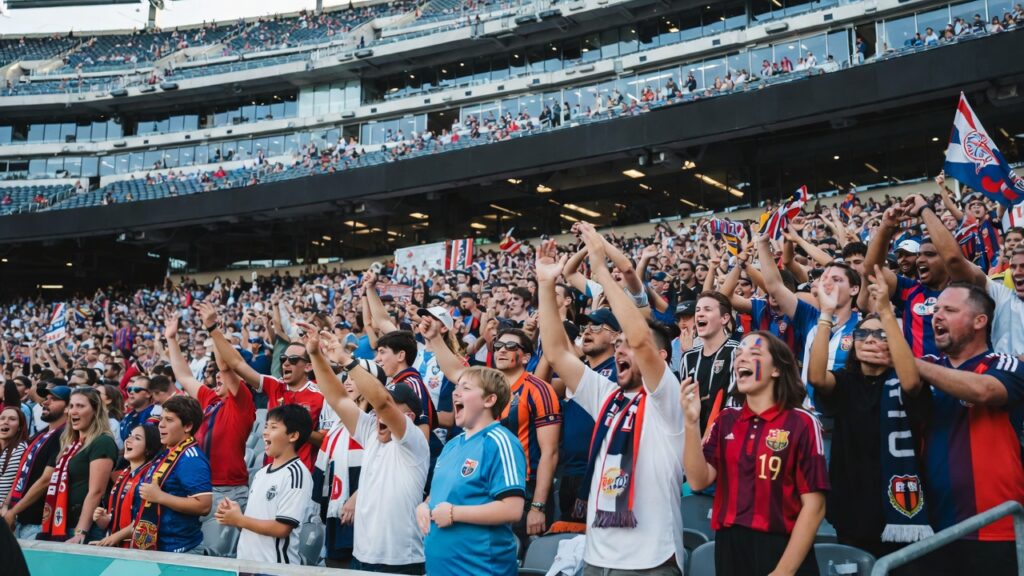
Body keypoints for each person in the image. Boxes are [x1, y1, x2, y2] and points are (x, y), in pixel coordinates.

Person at [536, 227, 686, 575]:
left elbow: (640, 338)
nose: (621, 348)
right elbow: (557, 352)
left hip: (651, 560)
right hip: (596, 557)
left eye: (627, 346)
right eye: (617, 345)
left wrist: (601, 270)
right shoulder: (608, 395)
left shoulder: (666, 396)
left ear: (660, 357)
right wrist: (545, 286)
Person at [808, 267, 932, 565]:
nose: (871, 339)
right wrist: (826, 315)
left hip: (896, 502)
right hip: (852, 503)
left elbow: (912, 382)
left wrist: (887, 315)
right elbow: (815, 377)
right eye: (863, 333)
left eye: (881, 335)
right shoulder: (845, 380)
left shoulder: (904, 382)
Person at [684, 331, 828, 576]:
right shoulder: (726, 419)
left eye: (754, 354)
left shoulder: (802, 422)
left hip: (781, 545)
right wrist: (690, 423)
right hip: (729, 545)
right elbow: (698, 480)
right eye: (738, 354)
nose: (741, 359)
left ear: (777, 369)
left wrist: (783, 571)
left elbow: (814, 507)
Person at [911, 283, 1024, 575]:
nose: (937, 316)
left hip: (994, 527)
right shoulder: (927, 365)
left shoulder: (1004, 363)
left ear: (979, 321)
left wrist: (909, 363)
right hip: (932, 526)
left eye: (949, 310)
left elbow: (986, 391)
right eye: (935, 310)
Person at [303, 322, 430, 574]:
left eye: (394, 409)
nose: (381, 416)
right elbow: (338, 398)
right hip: (361, 556)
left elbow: (382, 404)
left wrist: (345, 359)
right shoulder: (371, 432)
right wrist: (316, 354)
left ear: (410, 418)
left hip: (400, 561)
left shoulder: (412, 441)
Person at [427, 321, 560, 544]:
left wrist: (538, 505)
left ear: (526, 357)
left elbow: (550, 452)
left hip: (523, 488)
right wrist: (435, 337)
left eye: (510, 346)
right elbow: (455, 372)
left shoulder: (539, 389)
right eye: (498, 345)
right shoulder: (485, 386)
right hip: (480, 482)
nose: (502, 350)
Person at [417, 366, 526, 576]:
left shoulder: (501, 442)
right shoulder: (452, 444)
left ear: (489, 400)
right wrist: (424, 505)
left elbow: (512, 509)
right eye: (456, 387)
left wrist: (454, 513)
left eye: (465, 388)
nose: (455, 393)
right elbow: (441, 495)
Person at [199, 302, 324, 471]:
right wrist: (213, 329)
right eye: (283, 359)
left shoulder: (320, 394)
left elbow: (325, 440)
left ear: (308, 367)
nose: (286, 363)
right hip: (269, 470)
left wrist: (294, 426)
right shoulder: (275, 385)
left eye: (293, 360)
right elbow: (236, 364)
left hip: (301, 473)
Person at [164, 311, 255, 541]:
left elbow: (226, 366)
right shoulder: (210, 400)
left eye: (221, 375)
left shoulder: (242, 404)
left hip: (227, 491)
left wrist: (212, 329)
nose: (216, 377)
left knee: (218, 556)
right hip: (199, 489)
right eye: (212, 374)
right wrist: (171, 339)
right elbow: (184, 377)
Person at [216, 404, 313, 564]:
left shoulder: (297, 474)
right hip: (246, 563)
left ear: (293, 436)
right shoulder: (261, 473)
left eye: (273, 427)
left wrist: (239, 520)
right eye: (266, 426)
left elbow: (282, 528)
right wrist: (233, 515)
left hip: (274, 568)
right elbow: (251, 523)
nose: (265, 432)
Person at [133, 395, 212, 553]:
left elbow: (204, 505)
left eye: (169, 420)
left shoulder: (191, 458)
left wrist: (160, 497)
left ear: (187, 426)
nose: (161, 425)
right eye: (161, 419)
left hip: (180, 551)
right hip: (157, 547)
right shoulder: (166, 452)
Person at [40, 387, 117, 543]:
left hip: (84, 528)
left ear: (95, 410)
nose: (73, 411)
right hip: (61, 523)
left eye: (80, 406)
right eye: (72, 406)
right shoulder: (71, 443)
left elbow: (96, 491)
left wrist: (80, 532)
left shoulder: (102, 442)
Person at [1, 384, 69, 540]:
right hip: (20, 519)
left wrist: (13, 511)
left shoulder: (64, 436)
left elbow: (46, 480)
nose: (45, 402)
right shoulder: (41, 434)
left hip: (37, 522)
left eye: (53, 399)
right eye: (46, 399)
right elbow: (21, 474)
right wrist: (7, 505)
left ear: (67, 408)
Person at [90, 424, 161, 547]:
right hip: (119, 548)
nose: (128, 440)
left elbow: (144, 520)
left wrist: (114, 538)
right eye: (129, 436)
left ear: (148, 449)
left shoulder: (150, 477)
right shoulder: (124, 474)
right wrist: (105, 520)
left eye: (137, 438)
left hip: (137, 552)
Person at [679, 292, 739, 437]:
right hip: (694, 439)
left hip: (726, 436)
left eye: (707, 309)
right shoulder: (688, 357)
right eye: (697, 310)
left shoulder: (737, 352)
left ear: (724, 318)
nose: (699, 314)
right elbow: (684, 404)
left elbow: (736, 403)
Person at [0, 404, 29, 505]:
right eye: (2, 418)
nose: (5, 422)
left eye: (12, 419)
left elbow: (13, 483)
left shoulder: (21, 449)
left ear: (20, 427)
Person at [120, 375, 159, 443]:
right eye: (129, 389)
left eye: (136, 389)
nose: (131, 392)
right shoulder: (128, 415)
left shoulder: (155, 414)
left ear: (149, 394)